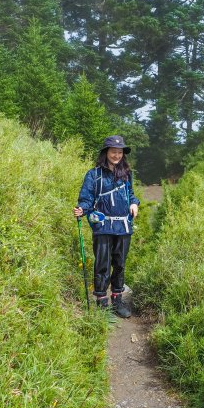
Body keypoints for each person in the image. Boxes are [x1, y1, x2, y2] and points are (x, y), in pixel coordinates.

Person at [73, 135, 140, 318]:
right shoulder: (93, 175)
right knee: (103, 263)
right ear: (106, 152)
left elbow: (131, 195)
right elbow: (86, 199)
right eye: (113, 151)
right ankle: (101, 301)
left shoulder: (127, 174)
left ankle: (117, 299)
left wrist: (134, 204)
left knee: (119, 263)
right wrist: (82, 209)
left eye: (119, 152)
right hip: (102, 225)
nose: (116, 155)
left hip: (124, 225)